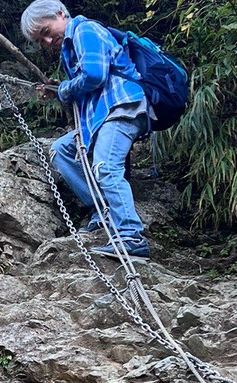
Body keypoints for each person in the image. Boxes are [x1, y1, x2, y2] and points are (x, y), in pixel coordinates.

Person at [21, 0, 150, 259]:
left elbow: (94, 75)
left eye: (46, 32)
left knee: (105, 166)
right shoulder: (71, 45)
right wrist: (62, 89)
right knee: (61, 150)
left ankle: (130, 236)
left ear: (60, 14)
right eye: (40, 40)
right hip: (101, 117)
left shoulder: (84, 30)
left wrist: (66, 89)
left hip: (121, 106)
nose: (46, 42)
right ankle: (103, 208)